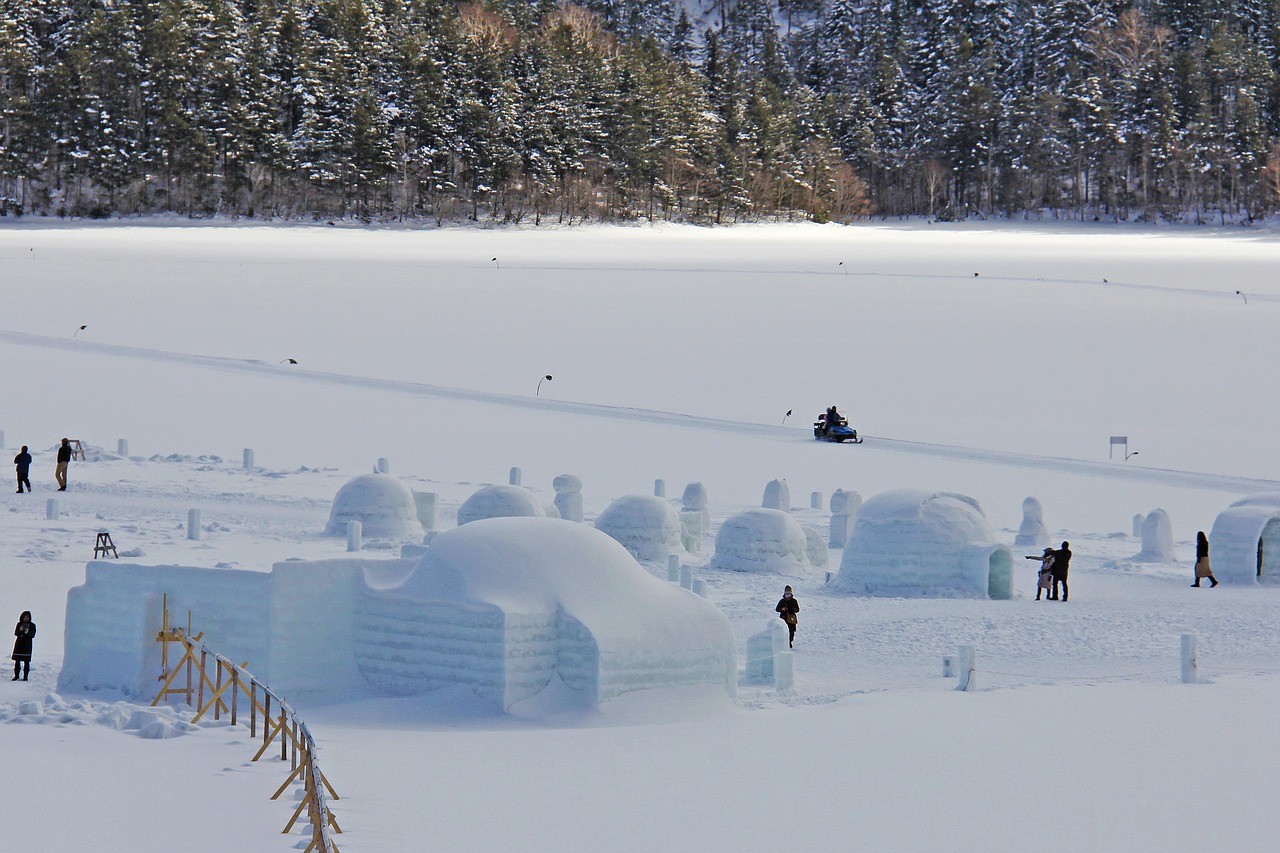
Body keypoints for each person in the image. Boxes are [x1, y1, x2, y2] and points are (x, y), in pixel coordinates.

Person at [12, 611, 35, 681]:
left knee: (26, 661)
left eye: (27, 617)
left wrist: (27, 632)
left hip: (27, 645)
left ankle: (25, 677)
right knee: (17, 661)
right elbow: (16, 633)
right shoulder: (19, 624)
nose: (26, 618)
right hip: (19, 644)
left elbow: (32, 635)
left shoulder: (32, 625)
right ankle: (16, 676)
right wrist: (21, 630)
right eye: (25, 617)